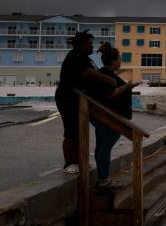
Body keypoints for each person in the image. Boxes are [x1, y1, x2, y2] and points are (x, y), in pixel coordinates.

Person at [55, 31, 118, 174]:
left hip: (79, 100)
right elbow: (87, 73)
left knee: (79, 131)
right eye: (90, 44)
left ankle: (79, 160)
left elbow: (93, 71)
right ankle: (69, 163)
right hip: (67, 98)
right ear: (82, 44)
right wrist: (108, 79)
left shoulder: (84, 58)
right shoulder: (75, 57)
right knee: (71, 131)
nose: (92, 47)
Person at [91, 43, 139, 187]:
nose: (120, 61)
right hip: (109, 118)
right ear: (113, 61)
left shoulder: (105, 74)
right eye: (119, 59)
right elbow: (109, 94)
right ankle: (104, 179)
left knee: (102, 146)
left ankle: (102, 177)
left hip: (108, 117)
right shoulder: (105, 75)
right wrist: (127, 86)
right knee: (104, 147)